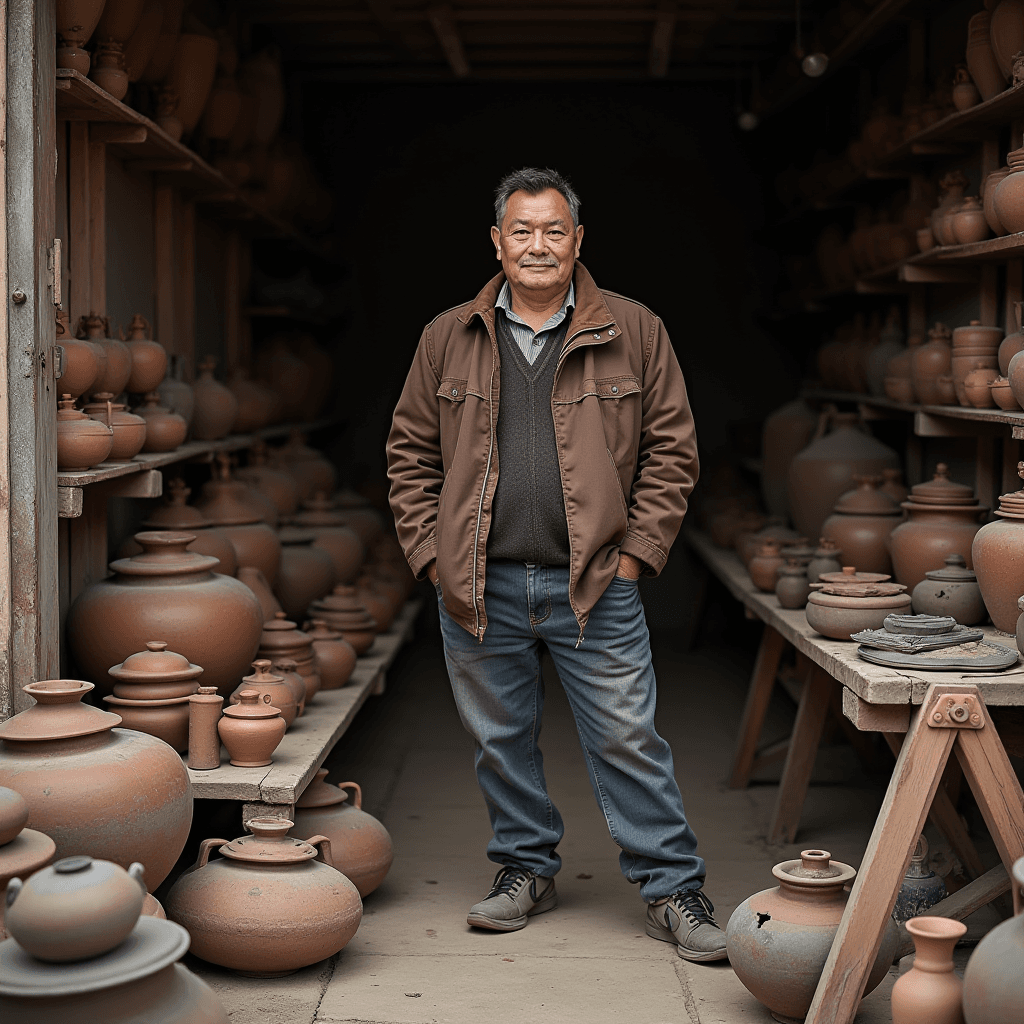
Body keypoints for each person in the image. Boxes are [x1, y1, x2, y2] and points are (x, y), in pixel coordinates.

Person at [386, 167, 726, 962]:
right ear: (497, 242)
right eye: (521, 231)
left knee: (628, 738)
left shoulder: (635, 329)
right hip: (478, 584)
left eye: (553, 231)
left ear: (578, 241)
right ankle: (524, 870)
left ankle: (673, 887)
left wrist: (638, 557)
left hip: (597, 584)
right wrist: (432, 561)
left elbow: (673, 451)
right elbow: (408, 453)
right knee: (500, 739)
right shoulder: (448, 335)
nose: (537, 246)